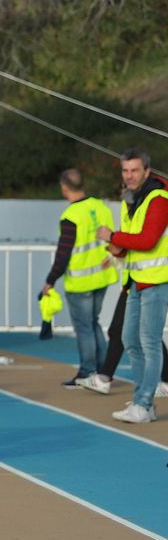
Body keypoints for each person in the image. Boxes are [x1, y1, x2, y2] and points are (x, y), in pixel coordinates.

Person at [98, 149, 168, 424]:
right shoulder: (132, 199)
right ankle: (143, 401)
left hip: (157, 281)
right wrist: (117, 249)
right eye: (125, 171)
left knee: (149, 343)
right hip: (135, 282)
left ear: (147, 172)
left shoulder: (158, 199)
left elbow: (148, 240)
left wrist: (114, 236)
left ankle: (143, 402)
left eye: (134, 170)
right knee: (130, 340)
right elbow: (132, 247)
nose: (129, 176)